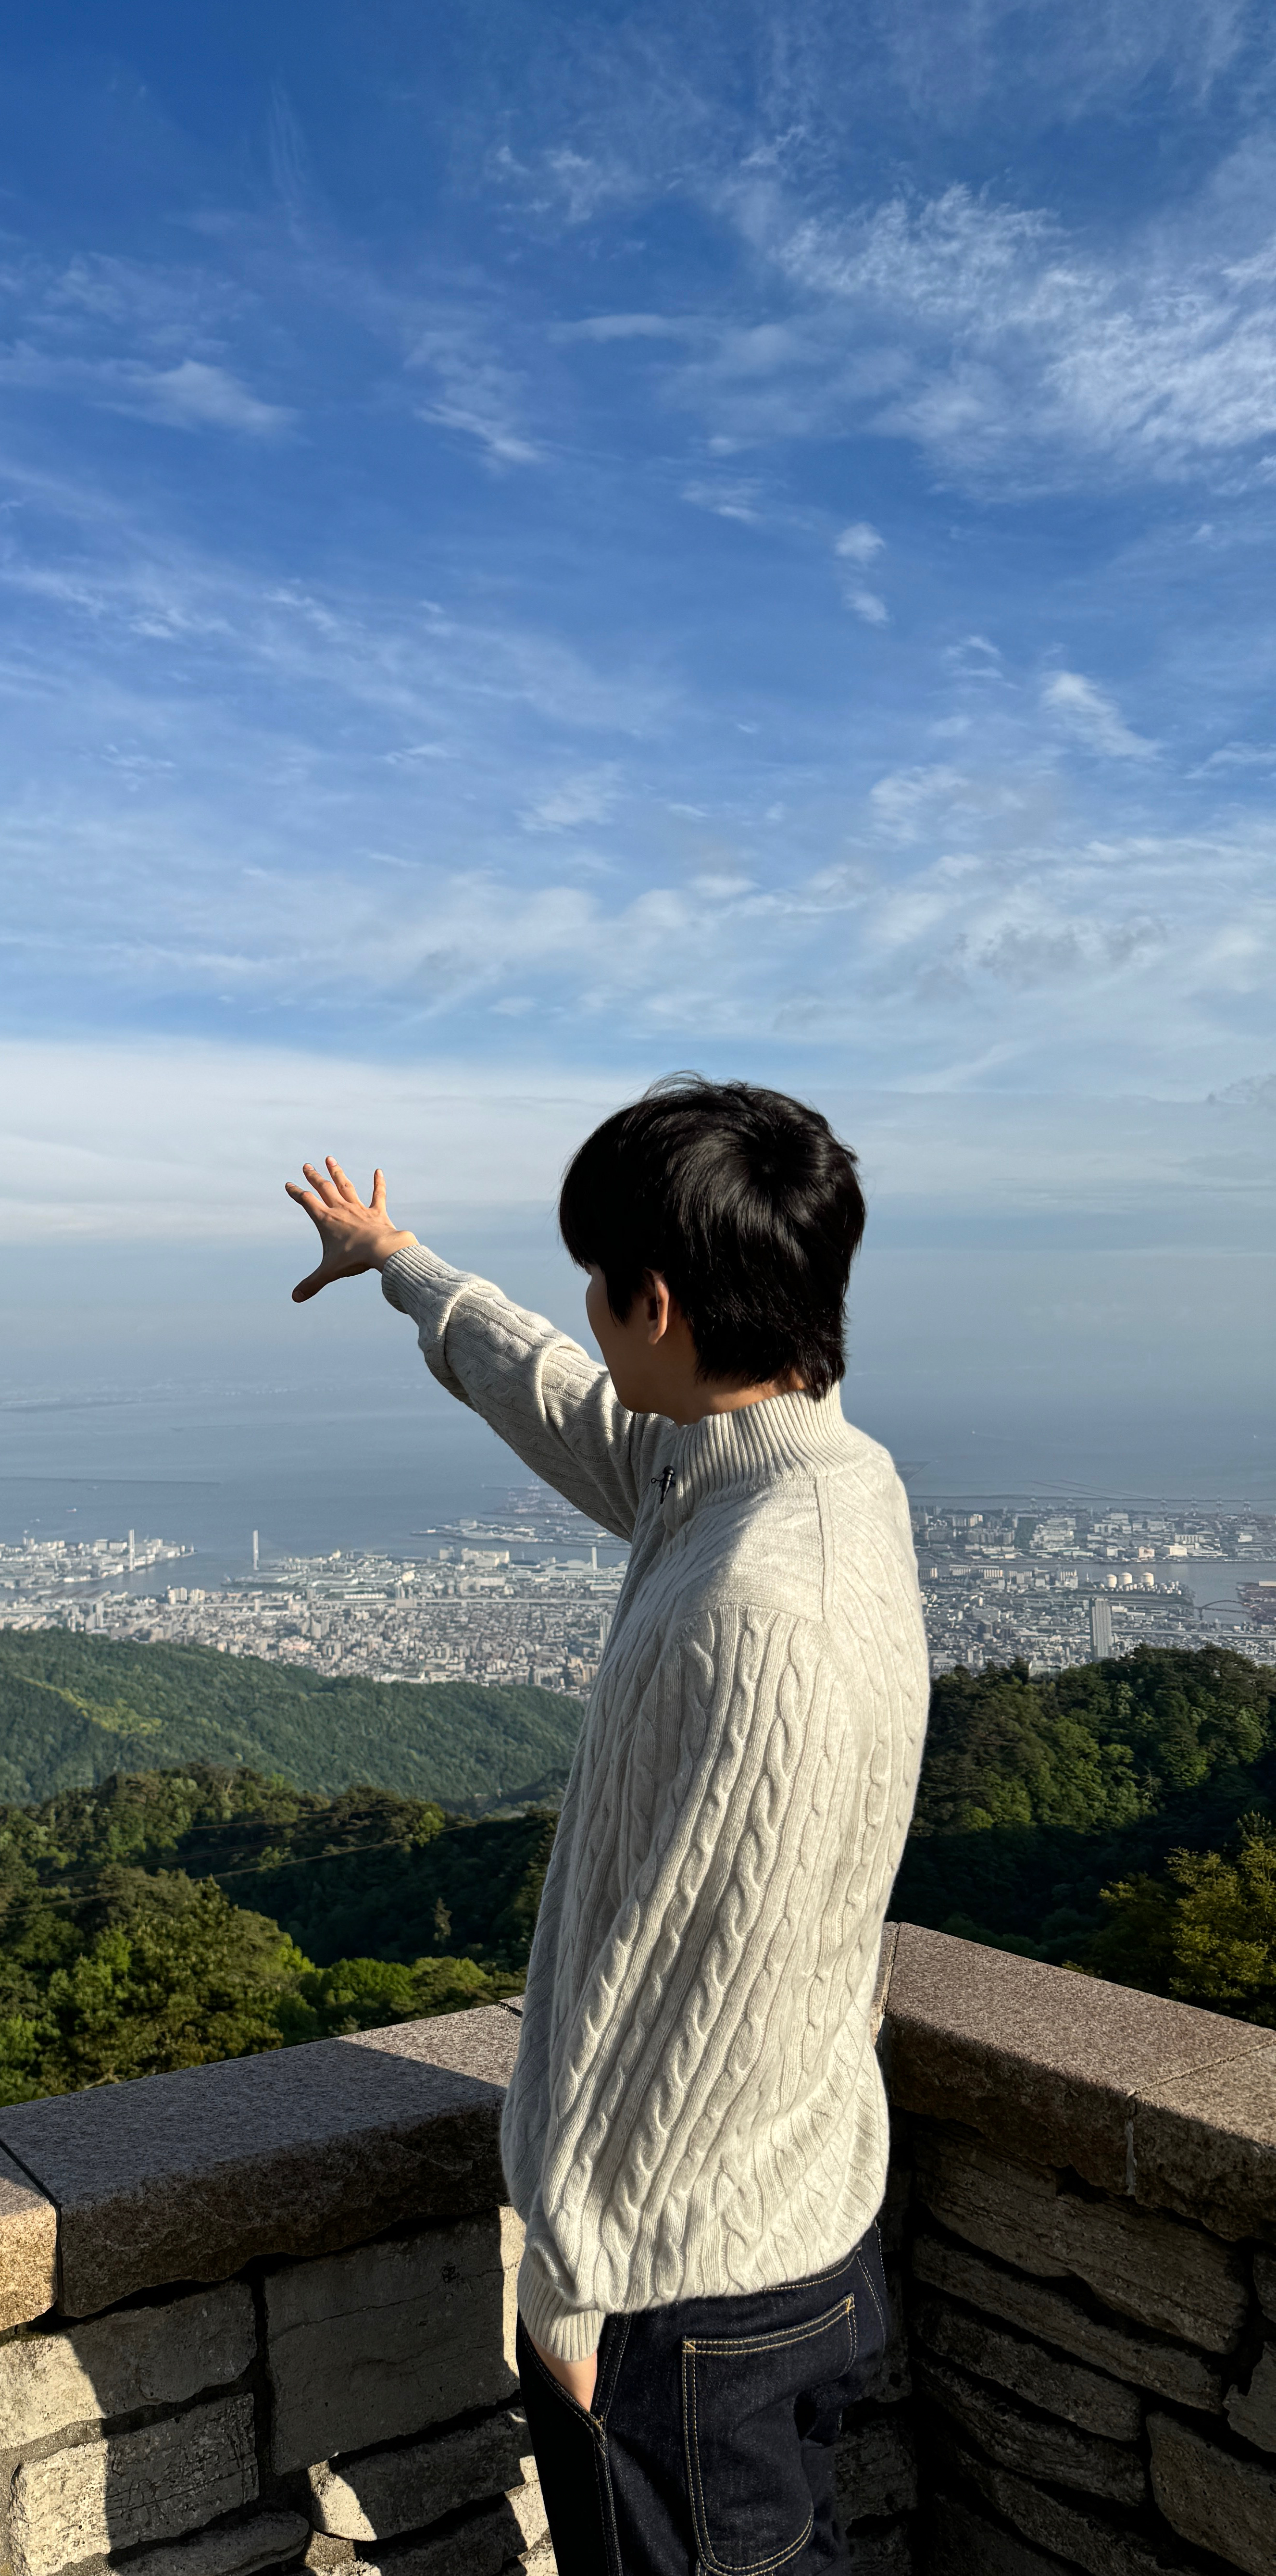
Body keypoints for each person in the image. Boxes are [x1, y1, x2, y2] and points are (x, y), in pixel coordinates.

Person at [285, 1076, 926, 2576]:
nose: (586, 1310)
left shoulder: (760, 1611)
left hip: (684, 2292)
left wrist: (578, 2288)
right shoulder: (796, 1470)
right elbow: (575, 1409)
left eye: (595, 1281)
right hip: (778, 2227)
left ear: (651, 1301)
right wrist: (404, 1269)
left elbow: (683, 1988)